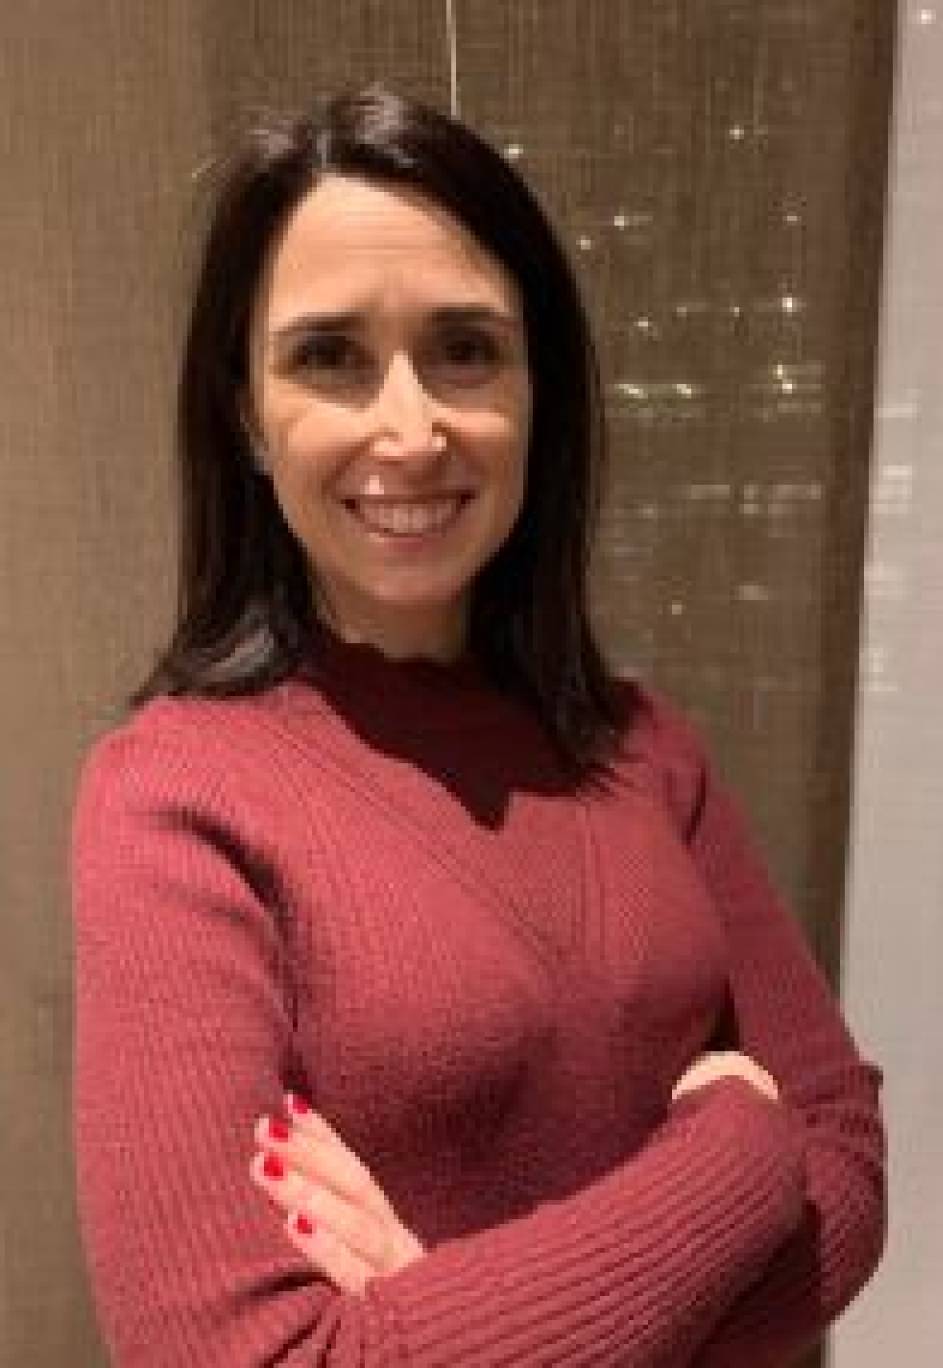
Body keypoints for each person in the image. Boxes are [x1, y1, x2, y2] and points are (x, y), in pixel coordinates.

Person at [70, 83, 886, 1366]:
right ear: (245, 413)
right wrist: (738, 1144)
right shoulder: (175, 800)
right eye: (329, 357)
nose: (411, 428)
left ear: (534, 388)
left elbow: (844, 1155)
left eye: (464, 349)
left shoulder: (643, 749)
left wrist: (447, 1315)